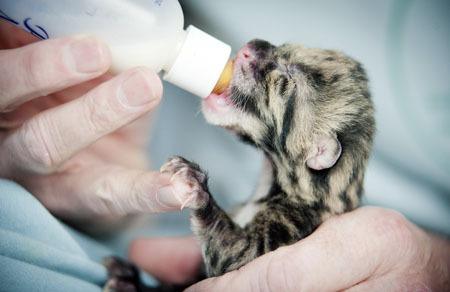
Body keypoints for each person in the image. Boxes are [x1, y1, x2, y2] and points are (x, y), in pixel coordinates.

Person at [0, 19, 449, 292]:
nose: (250, 51)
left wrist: (204, 205)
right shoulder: (285, 180)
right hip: (117, 204)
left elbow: (239, 262)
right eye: (279, 55)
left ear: (318, 152)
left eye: (284, 81)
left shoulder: (303, 226)